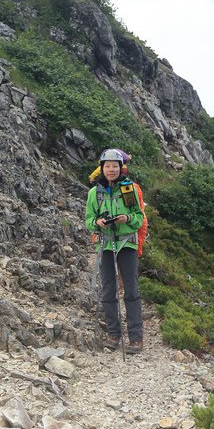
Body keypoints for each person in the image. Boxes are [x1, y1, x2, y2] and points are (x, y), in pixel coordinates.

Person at [85, 149, 145, 354]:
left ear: (121, 168)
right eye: (107, 166)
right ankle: (114, 333)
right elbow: (88, 220)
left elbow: (139, 217)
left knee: (131, 289)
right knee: (108, 289)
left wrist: (126, 219)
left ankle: (136, 338)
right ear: (102, 168)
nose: (111, 170)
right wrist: (97, 222)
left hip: (126, 243)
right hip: (105, 244)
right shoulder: (94, 193)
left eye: (115, 166)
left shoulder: (128, 190)